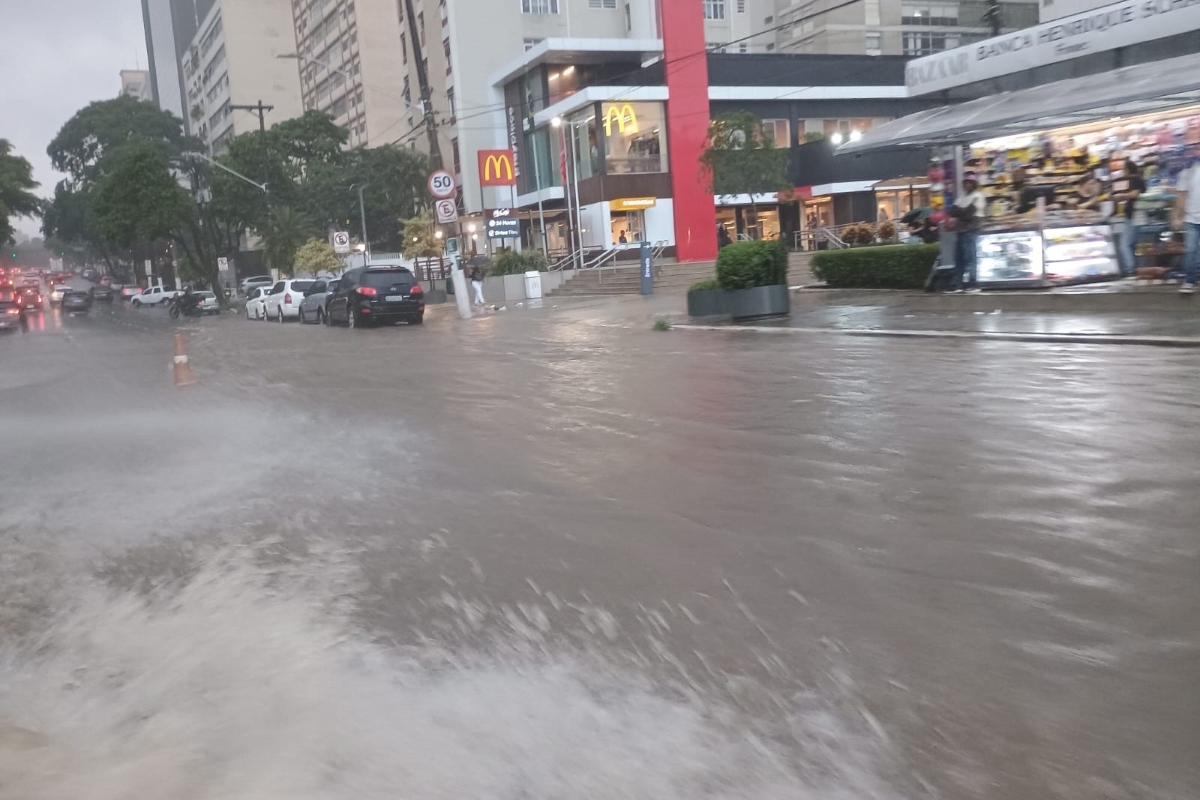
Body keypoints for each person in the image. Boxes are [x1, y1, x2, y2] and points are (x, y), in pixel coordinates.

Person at [948, 172, 987, 292]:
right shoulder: (962, 197)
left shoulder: (978, 196)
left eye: (970, 182)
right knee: (959, 258)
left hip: (971, 230)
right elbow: (952, 211)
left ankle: (973, 283)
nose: (967, 185)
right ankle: (959, 284)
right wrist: (962, 211)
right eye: (966, 182)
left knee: (970, 257)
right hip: (961, 230)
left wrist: (961, 211)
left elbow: (968, 213)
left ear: (974, 184)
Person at [1112, 160, 1146, 278]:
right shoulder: (1139, 178)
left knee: (1124, 244)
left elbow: (1134, 194)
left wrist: (1120, 196)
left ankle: (1130, 269)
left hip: (1133, 215)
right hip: (1136, 215)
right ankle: (1135, 269)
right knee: (1131, 244)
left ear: (1127, 169)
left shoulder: (1135, 179)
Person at [1173, 159, 1200, 294]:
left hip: (1191, 218)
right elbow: (1181, 195)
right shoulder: (1187, 173)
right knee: (1191, 250)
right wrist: (1178, 216)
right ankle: (1189, 280)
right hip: (1191, 218)